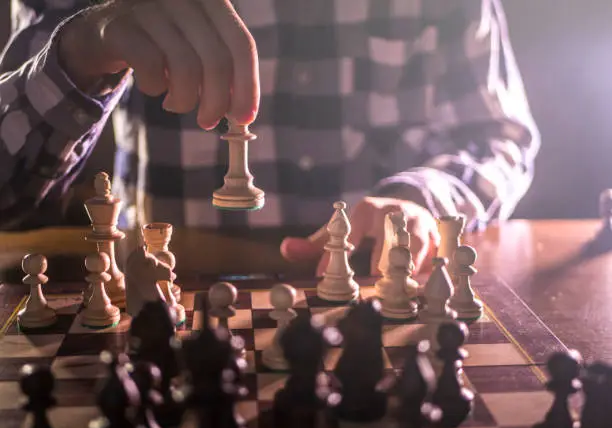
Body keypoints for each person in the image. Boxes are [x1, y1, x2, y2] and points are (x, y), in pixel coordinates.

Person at [0, 0, 540, 276]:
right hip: (164, 295)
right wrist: (82, 50)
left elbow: (499, 136)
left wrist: (423, 198)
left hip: (373, 292)